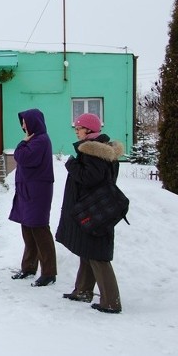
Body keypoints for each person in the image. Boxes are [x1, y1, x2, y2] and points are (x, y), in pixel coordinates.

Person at [55, 113, 124, 314]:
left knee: (98, 256)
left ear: (90, 131)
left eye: (80, 127)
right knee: (88, 251)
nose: (76, 130)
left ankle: (111, 301)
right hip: (95, 209)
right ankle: (83, 291)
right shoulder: (103, 152)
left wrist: (72, 164)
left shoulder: (93, 153)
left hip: (93, 211)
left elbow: (89, 179)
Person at [9, 108, 57, 287]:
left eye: (25, 122)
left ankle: (49, 273)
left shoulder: (40, 140)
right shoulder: (35, 140)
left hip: (37, 193)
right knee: (28, 230)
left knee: (39, 230)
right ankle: (28, 267)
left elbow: (23, 157)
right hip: (27, 191)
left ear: (33, 122)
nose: (22, 126)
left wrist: (21, 143)